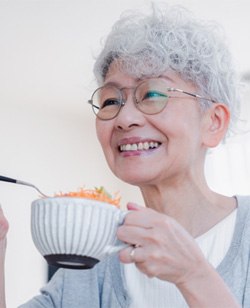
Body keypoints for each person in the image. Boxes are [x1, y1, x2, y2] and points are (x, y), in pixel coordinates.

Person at [1, 3, 250, 307]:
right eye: (110, 101)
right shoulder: (92, 252)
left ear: (214, 123)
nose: (124, 117)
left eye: (153, 94)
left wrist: (195, 275)